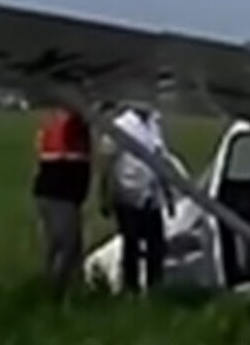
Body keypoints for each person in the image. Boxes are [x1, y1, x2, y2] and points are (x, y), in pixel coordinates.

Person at [99, 102, 176, 294]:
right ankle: (130, 288)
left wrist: (168, 194)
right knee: (131, 244)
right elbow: (107, 162)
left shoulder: (154, 124)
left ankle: (154, 287)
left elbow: (160, 159)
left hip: (151, 194)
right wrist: (105, 195)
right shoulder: (121, 125)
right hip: (129, 194)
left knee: (156, 245)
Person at [31, 104, 92, 296]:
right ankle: (56, 291)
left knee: (63, 244)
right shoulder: (68, 124)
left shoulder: (54, 120)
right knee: (67, 244)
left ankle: (62, 288)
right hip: (60, 193)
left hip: (59, 193)